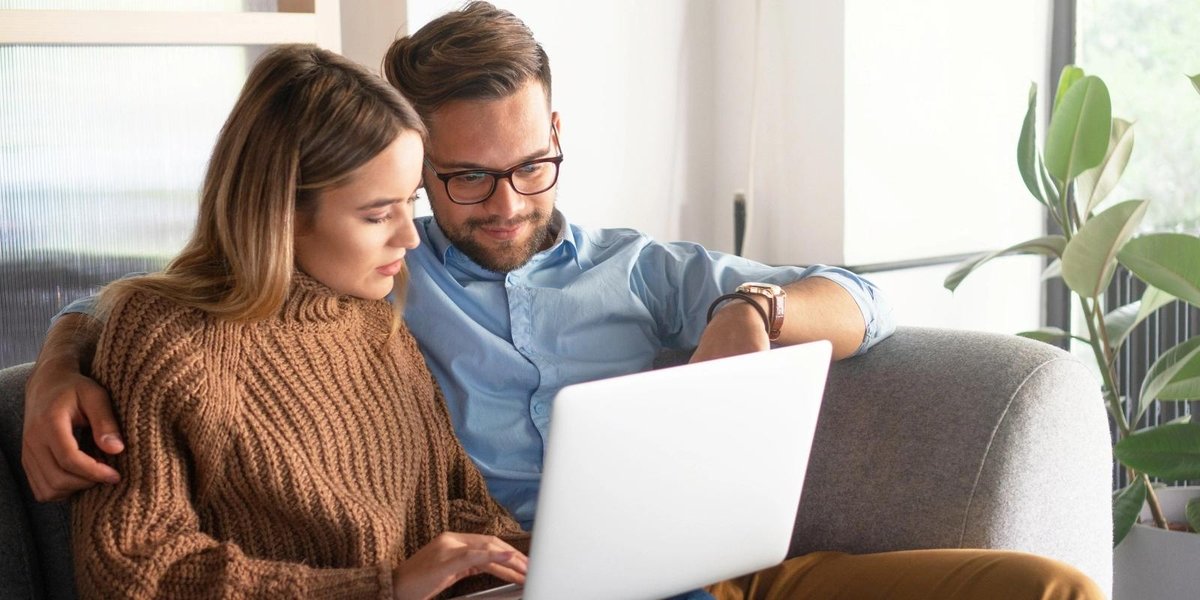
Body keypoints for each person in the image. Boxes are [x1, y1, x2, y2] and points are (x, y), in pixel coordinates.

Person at [25, 3, 1102, 599]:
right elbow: (198, 302)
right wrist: (66, 360)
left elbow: (864, 301)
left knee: (1044, 590)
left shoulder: (636, 269)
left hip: (719, 577)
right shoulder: (385, 292)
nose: (506, 205)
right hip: (522, 590)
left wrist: (756, 313)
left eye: (535, 164)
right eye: (462, 182)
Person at [67, 44, 529, 599]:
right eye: (378, 213)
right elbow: (135, 569)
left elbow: (454, 504)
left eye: (411, 202)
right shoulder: (167, 338)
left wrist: (537, 557)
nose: (409, 236)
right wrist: (383, 588)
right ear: (281, 210)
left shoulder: (371, 321)